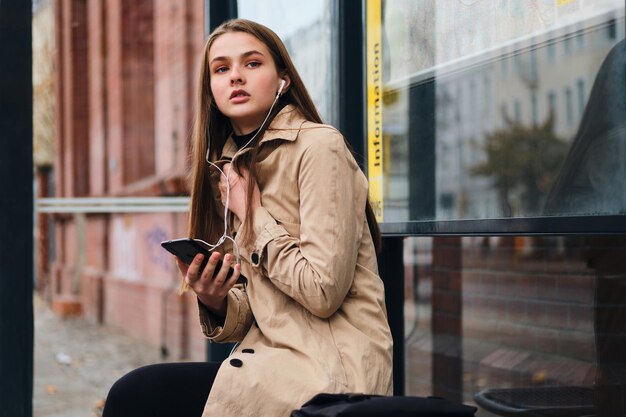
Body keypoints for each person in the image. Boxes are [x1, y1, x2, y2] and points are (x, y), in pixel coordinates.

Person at [102, 18, 393, 417]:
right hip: (273, 365)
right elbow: (264, 311)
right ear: (211, 90)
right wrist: (216, 299)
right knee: (135, 393)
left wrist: (253, 214)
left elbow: (323, 293)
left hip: (330, 373)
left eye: (252, 64)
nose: (236, 76)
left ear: (283, 80)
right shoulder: (230, 168)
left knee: (138, 397)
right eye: (221, 69)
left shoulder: (319, 148)